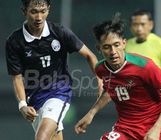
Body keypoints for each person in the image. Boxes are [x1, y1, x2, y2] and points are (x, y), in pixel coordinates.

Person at [5, 0, 102, 140]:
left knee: (41, 138)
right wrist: (22, 105)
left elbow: (89, 55)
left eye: (43, 11)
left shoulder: (59, 32)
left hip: (59, 92)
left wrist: (100, 80)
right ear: (24, 11)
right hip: (34, 99)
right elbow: (17, 77)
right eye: (34, 12)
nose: (39, 17)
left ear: (48, 10)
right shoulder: (14, 41)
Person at [74, 13, 161, 140]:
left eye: (116, 45)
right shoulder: (101, 69)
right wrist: (91, 113)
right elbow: (110, 90)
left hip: (160, 126)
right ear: (99, 49)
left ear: (124, 43)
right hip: (127, 129)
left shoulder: (145, 66)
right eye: (107, 47)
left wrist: (157, 128)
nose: (113, 52)